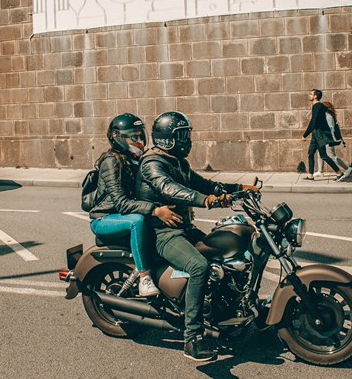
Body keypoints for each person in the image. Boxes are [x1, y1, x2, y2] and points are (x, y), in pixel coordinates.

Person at [136, 111, 259, 362]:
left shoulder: (178, 162)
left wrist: (238, 189)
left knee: (221, 252)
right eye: (182, 135)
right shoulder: (153, 163)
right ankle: (192, 337)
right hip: (162, 233)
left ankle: (222, 309)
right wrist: (206, 201)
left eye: (187, 134)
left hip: (182, 228)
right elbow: (170, 188)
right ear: (167, 139)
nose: (187, 140)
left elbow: (203, 184)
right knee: (199, 266)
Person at [88, 113, 182, 297]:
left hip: (122, 215)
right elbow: (122, 204)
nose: (139, 140)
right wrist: (154, 210)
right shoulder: (111, 162)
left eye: (141, 135)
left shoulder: (134, 160)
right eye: (134, 137)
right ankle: (145, 278)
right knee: (136, 221)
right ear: (118, 138)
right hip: (104, 218)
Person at [301, 89, 351, 182]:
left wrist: (305, 135)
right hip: (316, 134)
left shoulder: (317, 106)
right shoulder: (319, 106)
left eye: (311, 94)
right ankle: (310, 175)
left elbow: (313, 121)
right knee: (310, 153)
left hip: (319, 134)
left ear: (315, 96)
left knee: (324, 155)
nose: (309, 95)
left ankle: (339, 172)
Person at [323, 101, 352, 182]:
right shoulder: (326, 115)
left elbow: (331, 128)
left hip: (328, 139)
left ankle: (347, 169)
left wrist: (331, 139)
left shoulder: (328, 117)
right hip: (326, 139)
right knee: (321, 154)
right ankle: (320, 171)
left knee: (332, 157)